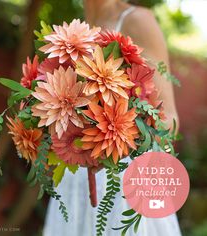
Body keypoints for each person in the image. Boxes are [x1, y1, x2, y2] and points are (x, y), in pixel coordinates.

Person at [43, 0, 181, 235]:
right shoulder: (74, 31)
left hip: (123, 185)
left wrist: (112, 138)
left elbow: (169, 121)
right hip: (74, 179)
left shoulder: (138, 20)